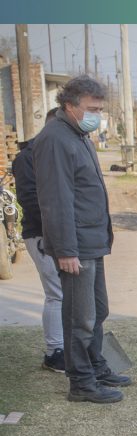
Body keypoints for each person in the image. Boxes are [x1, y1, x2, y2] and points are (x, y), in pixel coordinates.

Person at [34, 75, 132, 404]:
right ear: (70, 105)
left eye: (100, 109)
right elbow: (55, 199)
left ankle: (96, 366)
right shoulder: (55, 139)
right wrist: (64, 250)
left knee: (97, 311)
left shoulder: (79, 134)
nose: (98, 115)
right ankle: (82, 383)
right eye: (92, 108)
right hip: (75, 245)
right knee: (80, 318)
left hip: (91, 241)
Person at [12, 108, 63, 373]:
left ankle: (64, 347)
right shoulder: (28, 157)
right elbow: (31, 201)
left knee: (64, 293)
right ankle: (55, 352)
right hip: (41, 234)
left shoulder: (56, 152)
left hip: (61, 235)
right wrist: (54, 232)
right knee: (56, 293)